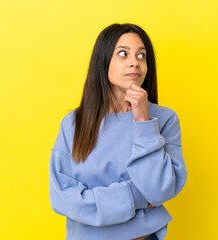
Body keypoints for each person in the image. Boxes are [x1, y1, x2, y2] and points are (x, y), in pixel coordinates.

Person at [49, 23, 187, 240]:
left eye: (142, 56)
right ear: (103, 61)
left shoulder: (165, 119)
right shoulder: (73, 123)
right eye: (123, 54)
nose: (135, 62)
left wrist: (143, 121)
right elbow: (62, 197)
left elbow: (159, 191)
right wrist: (136, 198)